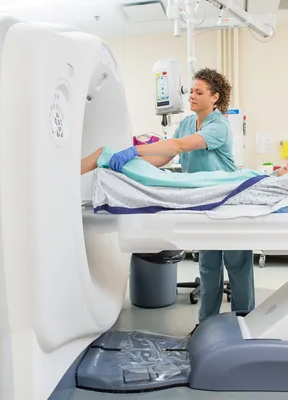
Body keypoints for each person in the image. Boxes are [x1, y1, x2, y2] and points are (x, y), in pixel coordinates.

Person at [103, 68, 255, 326]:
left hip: (227, 200)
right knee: (208, 267)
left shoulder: (219, 125)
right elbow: (166, 156)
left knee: (237, 265)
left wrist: (135, 150)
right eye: (192, 91)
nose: (192, 96)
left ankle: (244, 324)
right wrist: (134, 168)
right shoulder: (185, 124)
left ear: (215, 97)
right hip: (199, 201)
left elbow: (180, 146)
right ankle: (206, 324)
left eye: (199, 92)